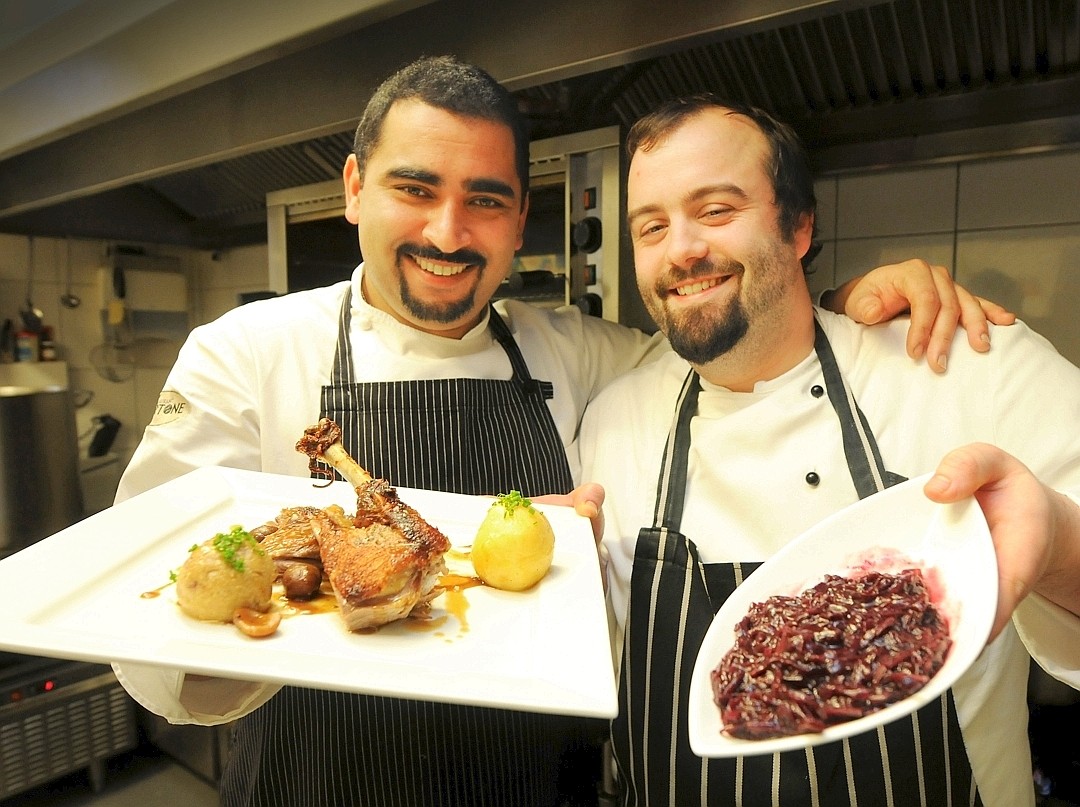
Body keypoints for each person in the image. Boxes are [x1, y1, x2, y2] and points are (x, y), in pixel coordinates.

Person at [113, 57, 1008, 807]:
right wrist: (303, 617)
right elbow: (140, 623)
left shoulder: (576, 351)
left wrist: (847, 304)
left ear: (520, 221)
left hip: (546, 785)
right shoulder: (244, 354)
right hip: (321, 782)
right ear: (353, 190)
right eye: (413, 189)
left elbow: (728, 333)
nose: (447, 232)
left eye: (486, 200)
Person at [576, 93, 1080, 807]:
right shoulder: (612, 419)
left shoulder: (965, 363)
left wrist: (1058, 538)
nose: (681, 249)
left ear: (800, 225)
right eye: (651, 226)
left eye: (717, 210)